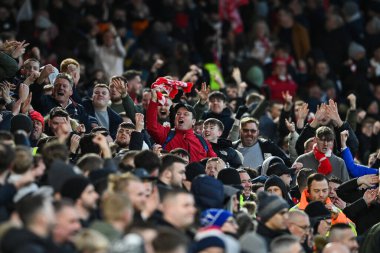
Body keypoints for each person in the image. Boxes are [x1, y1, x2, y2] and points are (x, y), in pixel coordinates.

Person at [146, 90, 216, 163]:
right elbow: (151, 125)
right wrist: (153, 101)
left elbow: (215, 162)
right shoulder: (166, 134)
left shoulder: (203, 142)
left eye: (185, 114)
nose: (181, 116)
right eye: (178, 114)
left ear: (193, 121)